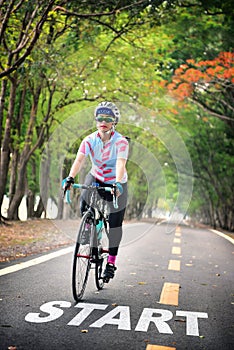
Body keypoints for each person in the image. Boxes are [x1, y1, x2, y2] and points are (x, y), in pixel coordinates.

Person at [64, 101, 129, 281]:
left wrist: (117, 183)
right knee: (85, 199)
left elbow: (120, 163)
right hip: (97, 177)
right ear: (96, 120)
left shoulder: (121, 142)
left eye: (108, 118)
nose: (103, 121)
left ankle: (111, 263)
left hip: (117, 184)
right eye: (100, 118)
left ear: (114, 121)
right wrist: (70, 177)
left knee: (115, 225)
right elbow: (79, 160)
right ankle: (88, 227)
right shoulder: (89, 140)